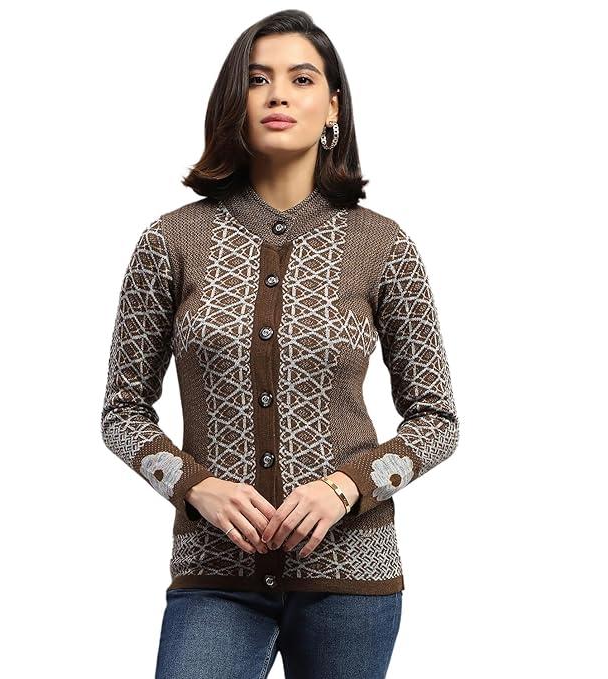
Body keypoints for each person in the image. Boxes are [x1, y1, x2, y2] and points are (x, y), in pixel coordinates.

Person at [100, 9, 459, 679]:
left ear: (333, 105)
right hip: (215, 575)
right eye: (257, 78)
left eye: (301, 78)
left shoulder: (383, 245)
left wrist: (346, 488)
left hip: (351, 575)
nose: (277, 95)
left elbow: (437, 420)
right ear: (234, 102)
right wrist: (195, 486)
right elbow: (121, 411)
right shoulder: (170, 241)